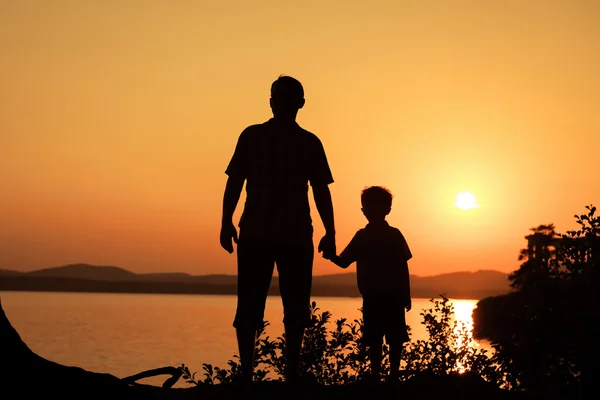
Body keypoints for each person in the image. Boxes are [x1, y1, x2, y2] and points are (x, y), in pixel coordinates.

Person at [220, 75, 337, 384]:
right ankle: (266, 374)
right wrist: (225, 221)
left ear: (296, 103)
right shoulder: (259, 137)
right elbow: (235, 181)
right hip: (272, 234)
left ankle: (280, 374)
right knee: (261, 305)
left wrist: (331, 231)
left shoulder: (303, 142)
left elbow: (321, 190)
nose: (282, 103)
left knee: (284, 305)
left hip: (285, 234)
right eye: (279, 98)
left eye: (285, 98)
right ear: (273, 102)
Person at [323, 186, 412, 383]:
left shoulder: (394, 235)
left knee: (393, 337)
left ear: (387, 209)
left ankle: (393, 376)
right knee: (375, 337)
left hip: (393, 296)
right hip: (372, 296)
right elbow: (344, 260)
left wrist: (406, 295)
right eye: (367, 207)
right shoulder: (362, 236)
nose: (370, 211)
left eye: (375, 207)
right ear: (363, 210)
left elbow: (403, 267)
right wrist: (331, 256)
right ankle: (376, 376)